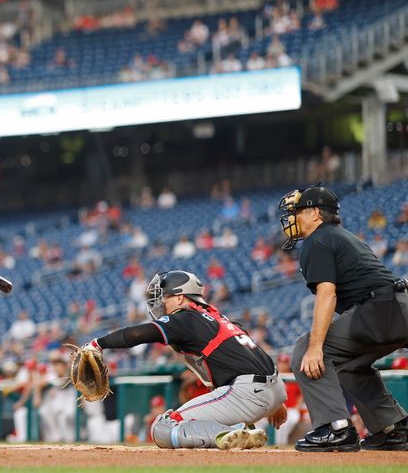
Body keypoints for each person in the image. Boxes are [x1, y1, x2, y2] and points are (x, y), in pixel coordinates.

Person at [81, 270, 287, 450]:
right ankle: (236, 432)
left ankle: (231, 434)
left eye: (166, 297)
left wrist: (98, 344)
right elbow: (250, 356)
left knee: (163, 426)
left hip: (247, 393)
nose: (161, 302)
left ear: (180, 298)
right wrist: (276, 403)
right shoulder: (218, 318)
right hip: (274, 389)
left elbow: (136, 335)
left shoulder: (185, 317)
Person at [278, 185, 408, 451]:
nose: (292, 218)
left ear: (315, 213)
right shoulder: (340, 236)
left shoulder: (317, 240)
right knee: (348, 364)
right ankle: (393, 429)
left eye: (298, 211)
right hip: (394, 306)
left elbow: (327, 294)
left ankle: (335, 428)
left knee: (306, 348)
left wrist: (316, 347)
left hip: (382, 309)